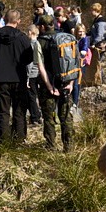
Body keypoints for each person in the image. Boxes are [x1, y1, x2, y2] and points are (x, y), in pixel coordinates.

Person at [0, 9, 32, 141]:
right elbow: (29, 57)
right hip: (18, 77)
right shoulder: (22, 38)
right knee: (19, 110)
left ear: (4, 19)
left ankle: (3, 138)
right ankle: (19, 138)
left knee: (3, 110)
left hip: (1, 77)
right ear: (18, 21)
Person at [35, 14, 74, 151]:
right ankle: (69, 147)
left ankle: (51, 146)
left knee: (49, 117)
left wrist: (49, 86)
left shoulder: (39, 42)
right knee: (66, 116)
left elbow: (40, 67)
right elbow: (73, 62)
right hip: (65, 82)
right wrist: (71, 83)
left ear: (42, 27)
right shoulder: (65, 38)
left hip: (48, 85)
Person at [25, 24, 41, 125]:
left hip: (32, 74)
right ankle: (37, 115)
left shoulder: (31, 44)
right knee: (35, 96)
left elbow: (29, 63)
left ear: (31, 33)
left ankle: (35, 117)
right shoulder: (39, 43)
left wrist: (27, 77)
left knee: (31, 97)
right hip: (39, 73)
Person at [71, 23, 89, 110]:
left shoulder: (84, 39)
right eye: (79, 31)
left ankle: (75, 102)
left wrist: (83, 52)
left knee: (76, 83)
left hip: (81, 63)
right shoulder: (74, 39)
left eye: (82, 31)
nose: (81, 33)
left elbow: (84, 49)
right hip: (73, 63)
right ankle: (72, 100)